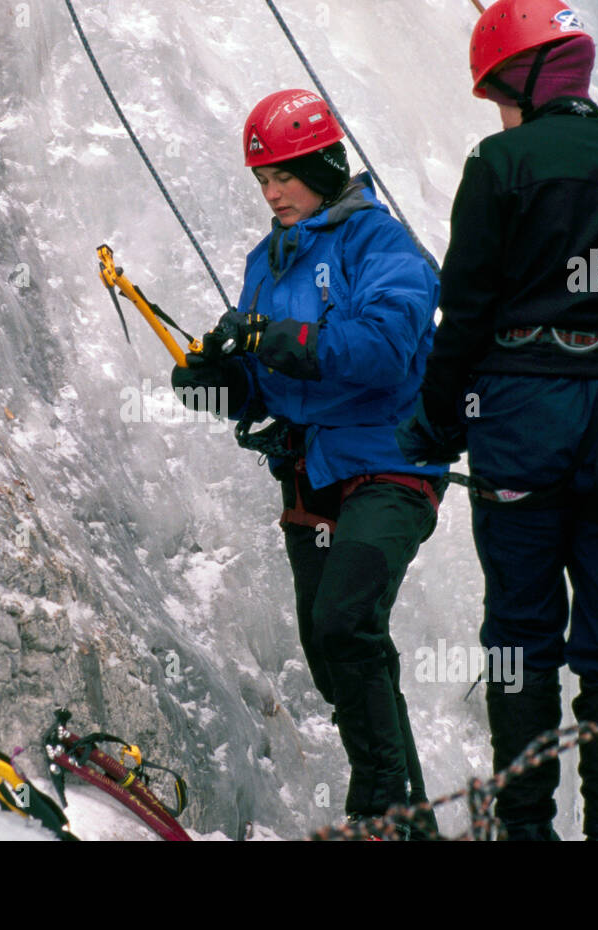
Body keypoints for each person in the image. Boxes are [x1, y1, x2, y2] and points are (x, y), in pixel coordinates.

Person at [397, 0, 598, 840]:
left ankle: (525, 830)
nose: (496, 114)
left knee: (522, 639)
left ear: (522, 79)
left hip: (525, 416)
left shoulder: (502, 169)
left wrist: (434, 427)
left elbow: (467, 318)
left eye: (496, 95)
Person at [173, 88, 446, 835]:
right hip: (309, 476)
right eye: (261, 179)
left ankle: (380, 807)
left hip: (390, 465)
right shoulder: (267, 260)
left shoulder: (381, 246)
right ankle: (411, 820)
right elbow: (266, 382)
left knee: (347, 620)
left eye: (284, 175)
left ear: (325, 165)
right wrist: (221, 384)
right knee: (336, 655)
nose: (271, 192)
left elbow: (385, 351)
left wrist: (282, 338)